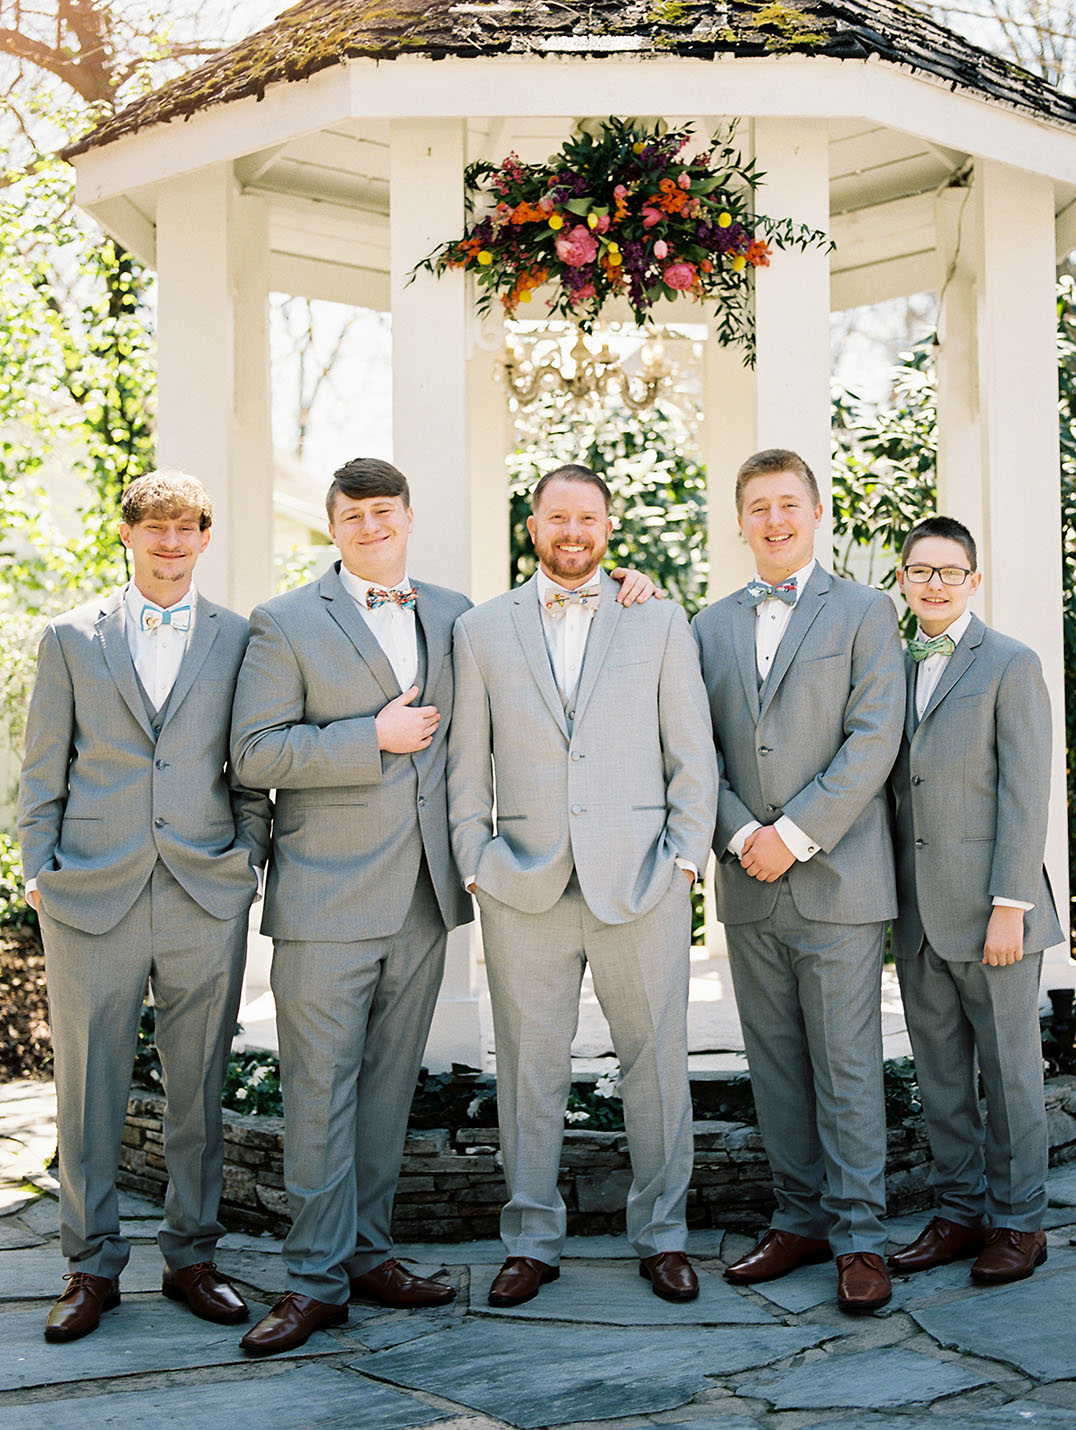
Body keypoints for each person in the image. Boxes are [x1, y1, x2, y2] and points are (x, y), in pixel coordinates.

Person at [229, 457, 656, 1352]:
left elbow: (542, 640)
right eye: (354, 516)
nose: (372, 527)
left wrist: (626, 583)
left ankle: (368, 1255)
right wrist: (365, 738)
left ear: (409, 516)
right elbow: (257, 754)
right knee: (319, 1092)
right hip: (326, 900)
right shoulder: (284, 622)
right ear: (333, 525)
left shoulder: (458, 615)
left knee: (386, 1092)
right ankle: (312, 1279)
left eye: (386, 512)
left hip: (424, 898)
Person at [447, 463, 717, 1308]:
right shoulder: (481, 629)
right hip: (522, 885)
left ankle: (663, 1236)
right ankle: (530, 1239)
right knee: (527, 1070)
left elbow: (693, 754)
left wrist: (683, 858)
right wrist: (474, 860)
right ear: (533, 526)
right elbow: (465, 766)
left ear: (609, 526)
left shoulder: (661, 619)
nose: (573, 533)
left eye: (587, 519)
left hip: (642, 880)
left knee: (657, 1065)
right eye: (557, 518)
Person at [18, 470, 271, 1343]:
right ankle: (89, 1268)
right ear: (126, 535)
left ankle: (192, 1257)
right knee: (88, 1087)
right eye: (153, 529)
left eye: (185, 528)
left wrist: (247, 857)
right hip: (91, 890)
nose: (170, 543)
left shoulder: (240, 637)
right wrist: (36, 873)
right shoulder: (71, 637)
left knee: (199, 1083)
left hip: (205, 890)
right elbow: (42, 768)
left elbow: (251, 765)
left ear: (206, 536)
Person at [692, 448, 904, 1313]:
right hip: (747, 877)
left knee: (847, 1064)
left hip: (838, 878)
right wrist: (745, 832)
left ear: (815, 514)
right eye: (758, 507)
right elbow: (689, 750)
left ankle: (860, 1236)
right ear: (739, 521)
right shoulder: (705, 627)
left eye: (789, 505)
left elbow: (873, 739)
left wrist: (797, 833)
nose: (774, 521)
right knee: (774, 1063)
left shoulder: (864, 611)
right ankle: (800, 1217)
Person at [887, 515, 1061, 1285]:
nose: (933, 583)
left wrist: (1010, 904)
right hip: (916, 911)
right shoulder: (889, 665)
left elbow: (1027, 794)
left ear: (973, 581)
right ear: (902, 579)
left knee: (1013, 1072)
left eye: (949, 572)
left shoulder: (1010, 664)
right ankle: (959, 1214)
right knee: (943, 1076)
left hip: (996, 912)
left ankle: (1021, 1224)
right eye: (920, 570)